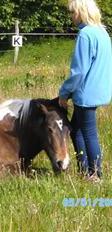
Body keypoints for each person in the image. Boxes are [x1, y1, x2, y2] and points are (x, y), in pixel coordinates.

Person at [59, 0, 112, 181]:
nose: (72, 17)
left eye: (73, 13)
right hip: (99, 91)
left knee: (89, 133)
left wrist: (64, 92)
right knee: (76, 130)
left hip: (86, 93)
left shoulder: (85, 34)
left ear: (82, 12)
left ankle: (95, 174)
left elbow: (79, 71)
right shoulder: (103, 32)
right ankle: (85, 170)